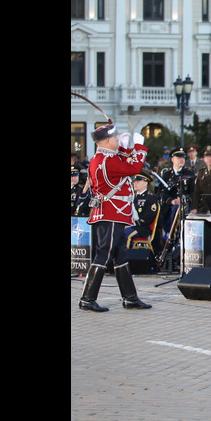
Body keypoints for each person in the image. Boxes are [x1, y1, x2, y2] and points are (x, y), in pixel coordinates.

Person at [79, 121, 151, 312]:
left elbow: (122, 158)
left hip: (113, 212)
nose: (118, 140)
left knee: (120, 254)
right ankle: (87, 298)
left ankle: (130, 298)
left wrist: (125, 147)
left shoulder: (103, 157)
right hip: (112, 212)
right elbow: (134, 168)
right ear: (109, 140)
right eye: (116, 138)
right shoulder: (107, 161)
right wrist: (139, 146)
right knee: (104, 252)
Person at [124, 173, 163, 253]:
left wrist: (133, 223)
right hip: (130, 225)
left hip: (141, 228)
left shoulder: (150, 198)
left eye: (138, 181)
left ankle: (125, 261)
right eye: (134, 181)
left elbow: (149, 216)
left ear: (145, 183)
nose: (135, 183)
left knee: (125, 235)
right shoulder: (131, 197)